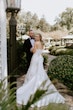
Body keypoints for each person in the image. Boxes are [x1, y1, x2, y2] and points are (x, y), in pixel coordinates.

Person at [16, 33, 65, 107]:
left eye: (36, 36)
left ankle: (32, 84)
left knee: (34, 71)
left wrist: (31, 49)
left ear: (39, 37)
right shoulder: (41, 43)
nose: (35, 37)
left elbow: (34, 51)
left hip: (35, 58)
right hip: (40, 58)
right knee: (39, 71)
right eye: (35, 36)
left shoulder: (36, 43)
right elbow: (41, 50)